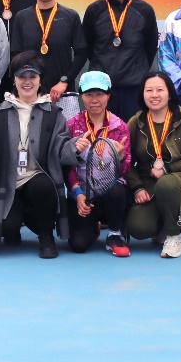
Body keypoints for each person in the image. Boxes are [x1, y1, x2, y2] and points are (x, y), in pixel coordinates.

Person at [0, 53, 78, 258]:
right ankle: (19, 219)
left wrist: (76, 147)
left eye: (32, 76)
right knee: (8, 229)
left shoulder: (54, 114)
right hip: (8, 182)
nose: (27, 82)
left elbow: (62, 147)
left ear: (40, 80)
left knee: (43, 185)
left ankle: (46, 236)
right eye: (22, 76)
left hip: (37, 181)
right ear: (14, 80)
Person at [125, 71, 181, 258]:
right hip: (150, 183)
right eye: (149, 90)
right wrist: (137, 187)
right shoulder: (136, 122)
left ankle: (174, 235)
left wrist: (168, 169)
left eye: (160, 90)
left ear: (169, 94)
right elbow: (126, 161)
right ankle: (164, 223)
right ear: (142, 94)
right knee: (139, 228)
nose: (154, 95)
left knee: (167, 183)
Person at [82, 0, 160, 122]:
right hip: (102, 88)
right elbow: (88, 47)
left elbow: (151, 47)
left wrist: (137, 69)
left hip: (134, 87)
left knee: (133, 133)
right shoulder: (94, 10)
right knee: (103, 133)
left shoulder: (145, 10)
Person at [64, 71, 131, 257]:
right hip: (84, 196)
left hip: (111, 193)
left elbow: (125, 171)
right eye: (89, 94)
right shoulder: (72, 125)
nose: (94, 100)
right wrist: (77, 194)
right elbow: (68, 168)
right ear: (81, 96)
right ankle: (93, 227)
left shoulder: (120, 127)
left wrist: (120, 158)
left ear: (108, 95)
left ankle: (115, 233)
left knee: (117, 189)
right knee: (78, 245)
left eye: (100, 94)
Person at [9, 0, 87, 103]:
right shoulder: (22, 17)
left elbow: (81, 54)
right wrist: (27, 83)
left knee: (65, 120)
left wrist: (64, 81)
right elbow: (16, 55)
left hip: (63, 93)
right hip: (31, 93)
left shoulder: (70, 16)